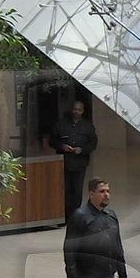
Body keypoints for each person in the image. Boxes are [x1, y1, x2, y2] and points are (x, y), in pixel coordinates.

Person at [50, 96, 98, 224]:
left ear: (82, 111)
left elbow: (93, 144)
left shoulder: (88, 126)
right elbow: (52, 140)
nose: (76, 112)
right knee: (64, 190)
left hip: (80, 163)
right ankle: (63, 217)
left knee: (77, 191)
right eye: (74, 109)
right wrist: (61, 146)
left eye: (79, 110)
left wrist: (82, 150)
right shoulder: (61, 124)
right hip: (64, 162)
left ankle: (75, 217)